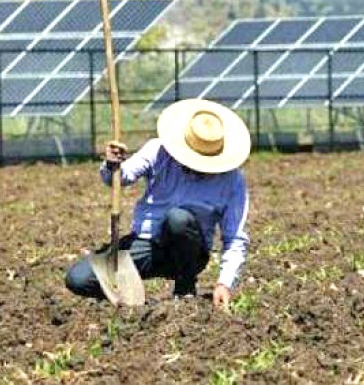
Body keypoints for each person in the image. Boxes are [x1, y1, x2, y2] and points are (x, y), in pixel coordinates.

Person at [65, 99, 251, 308]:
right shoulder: (158, 151)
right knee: (78, 278)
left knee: (178, 219)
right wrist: (112, 164)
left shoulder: (232, 179)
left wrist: (224, 284)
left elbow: (235, 238)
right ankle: (137, 303)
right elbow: (121, 177)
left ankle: (185, 289)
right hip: (147, 244)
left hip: (190, 253)